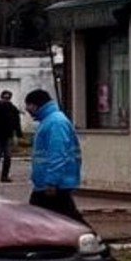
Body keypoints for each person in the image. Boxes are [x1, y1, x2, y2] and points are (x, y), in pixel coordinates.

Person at [23, 89, 85, 224]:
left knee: (44, 218)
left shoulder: (55, 122)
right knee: (62, 218)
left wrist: (51, 181)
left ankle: (91, 241)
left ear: (34, 105)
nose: (27, 110)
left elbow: (58, 153)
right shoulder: (49, 121)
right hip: (49, 182)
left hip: (54, 184)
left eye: (28, 105)